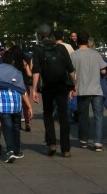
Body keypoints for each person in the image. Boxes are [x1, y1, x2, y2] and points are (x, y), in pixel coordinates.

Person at [32, 24, 76, 157]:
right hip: (62, 85)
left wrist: (34, 89)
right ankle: (66, 148)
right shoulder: (61, 48)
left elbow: (36, 71)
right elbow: (71, 69)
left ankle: (51, 143)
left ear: (40, 36)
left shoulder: (38, 49)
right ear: (51, 35)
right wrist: (74, 85)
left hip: (47, 86)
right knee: (63, 116)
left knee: (48, 114)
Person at [0, 51, 33, 162]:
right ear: (13, 61)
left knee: (7, 128)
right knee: (15, 128)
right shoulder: (17, 72)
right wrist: (29, 107)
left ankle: (10, 151)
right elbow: (23, 92)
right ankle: (17, 151)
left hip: (2, 105)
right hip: (16, 106)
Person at [71, 31, 107, 152]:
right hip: (96, 89)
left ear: (77, 41)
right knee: (98, 116)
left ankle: (84, 140)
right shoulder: (96, 54)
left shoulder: (74, 55)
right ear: (87, 41)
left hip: (82, 89)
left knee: (83, 116)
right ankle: (98, 142)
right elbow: (103, 71)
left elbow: (71, 72)